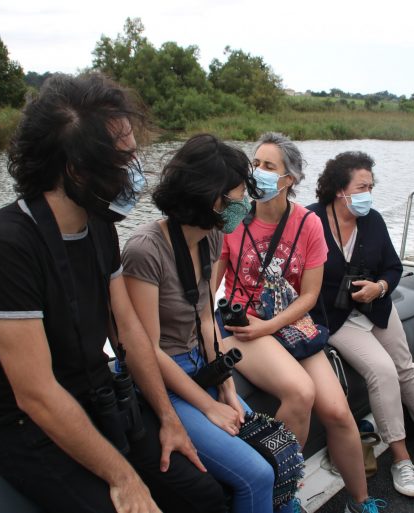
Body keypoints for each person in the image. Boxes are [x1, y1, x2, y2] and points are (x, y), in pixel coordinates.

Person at [0, 73, 225, 513]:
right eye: (123, 160)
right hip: (28, 427)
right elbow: (37, 394)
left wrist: (168, 419)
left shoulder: (99, 226)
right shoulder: (6, 246)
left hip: (96, 395)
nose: (135, 170)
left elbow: (129, 331)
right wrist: (124, 479)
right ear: (76, 169)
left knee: (204, 495)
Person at [122, 134, 293, 513]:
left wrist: (226, 387)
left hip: (201, 366)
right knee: (257, 475)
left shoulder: (211, 238)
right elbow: (146, 350)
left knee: (277, 450)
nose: (243, 207)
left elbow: (204, 317)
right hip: (165, 379)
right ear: (208, 198)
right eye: (235, 199)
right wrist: (208, 405)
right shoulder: (145, 251)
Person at [216, 132, 385, 513]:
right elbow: (211, 281)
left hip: (289, 325)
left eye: (268, 166)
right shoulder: (232, 216)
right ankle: (281, 494)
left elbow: (309, 296)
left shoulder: (307, 223)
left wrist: (272, 325)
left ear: (289, 179)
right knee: (301, 393)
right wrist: (220, 333)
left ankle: (360, 502)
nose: (258, 172)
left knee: (339, 412)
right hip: (246, 327)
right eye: (255, 164)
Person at [306, 151, 414, 498]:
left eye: (371, 186)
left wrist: (378, 288)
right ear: (339, 189)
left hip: (376, 307)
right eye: (362, 186)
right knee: (383, 371)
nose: (368, 193)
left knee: (405, 366)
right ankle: (401, 458)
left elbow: (393, 268)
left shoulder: (373, 221)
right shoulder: (310, 221)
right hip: (337, 318)